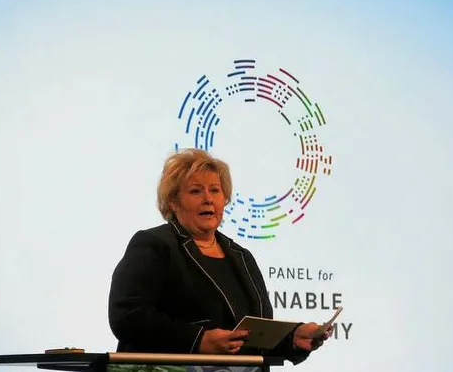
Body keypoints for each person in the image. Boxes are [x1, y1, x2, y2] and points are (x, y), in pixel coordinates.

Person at [108, 148, 331, 364]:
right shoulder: (154, 245)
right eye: (195, 191)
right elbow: (127, 316)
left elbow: (253, 334)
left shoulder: (241, 256)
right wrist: (198, 340)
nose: (208, 199)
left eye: (215, 190)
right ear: (173, 202)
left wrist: (293, 336)